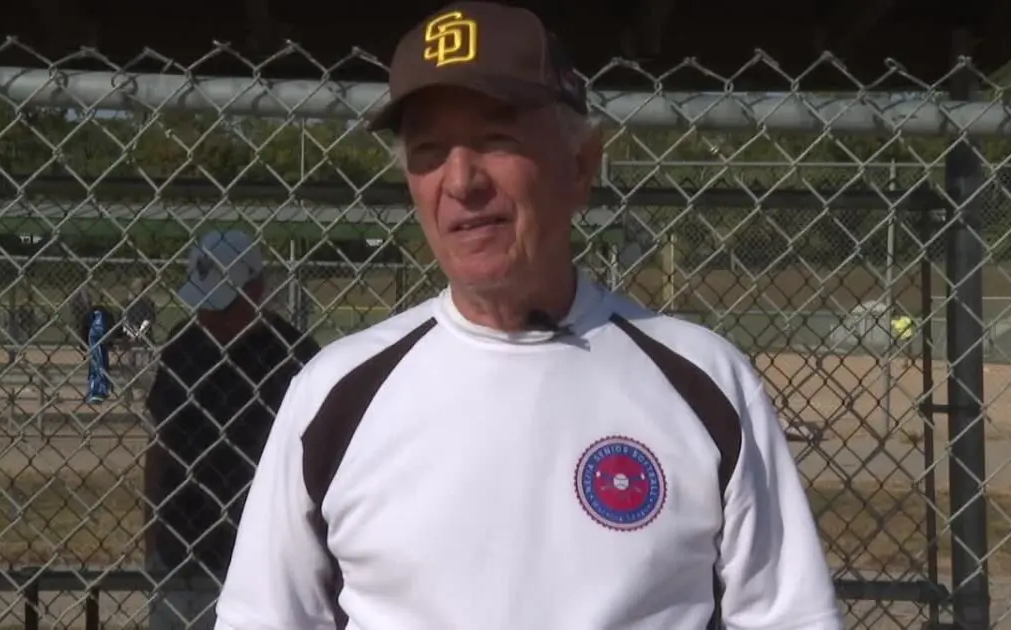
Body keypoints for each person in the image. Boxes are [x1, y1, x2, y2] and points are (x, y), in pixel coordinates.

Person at [215, 3, 842, 629]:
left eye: (496, 140)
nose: (461, 181)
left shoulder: (704, 381)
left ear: (580, 165)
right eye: (430, 151)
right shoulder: (335, 392)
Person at [143, 230, 321, 630]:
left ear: (256, 289)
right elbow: (159, 445)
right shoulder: (183, 345)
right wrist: (151, 535)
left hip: (259, 558)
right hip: (179, 552)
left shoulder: (296, 358)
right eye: (202, 304)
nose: (209, 316)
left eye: (222, 306)